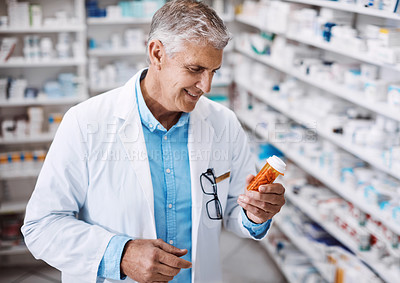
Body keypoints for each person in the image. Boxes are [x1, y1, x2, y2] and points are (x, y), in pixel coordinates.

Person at [22, 0, 285, 282]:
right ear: (157, 53)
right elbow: (42, 225)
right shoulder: (85, 122)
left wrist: (256, 214)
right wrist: (120, 255)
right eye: (195, 69)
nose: (206, 87)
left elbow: (233, 206)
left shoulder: (224, 123)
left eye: (213, 72)